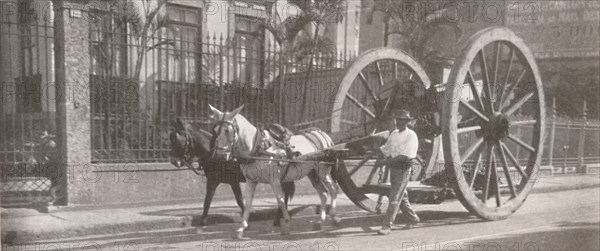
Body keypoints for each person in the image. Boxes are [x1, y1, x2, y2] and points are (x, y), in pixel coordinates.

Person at [377, 109, 421, 235]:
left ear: (407, 122)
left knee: (395, 196)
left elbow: (405, 156)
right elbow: (386, 149)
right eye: (397, 119)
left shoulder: (411, 135)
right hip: (394, 168)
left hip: (403, 168)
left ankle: (387, 226)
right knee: (402, 196)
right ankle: (413, 218)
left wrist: (385, 163)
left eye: (402, 120)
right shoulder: (394, 134)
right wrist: (376, 151)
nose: (398, 122)